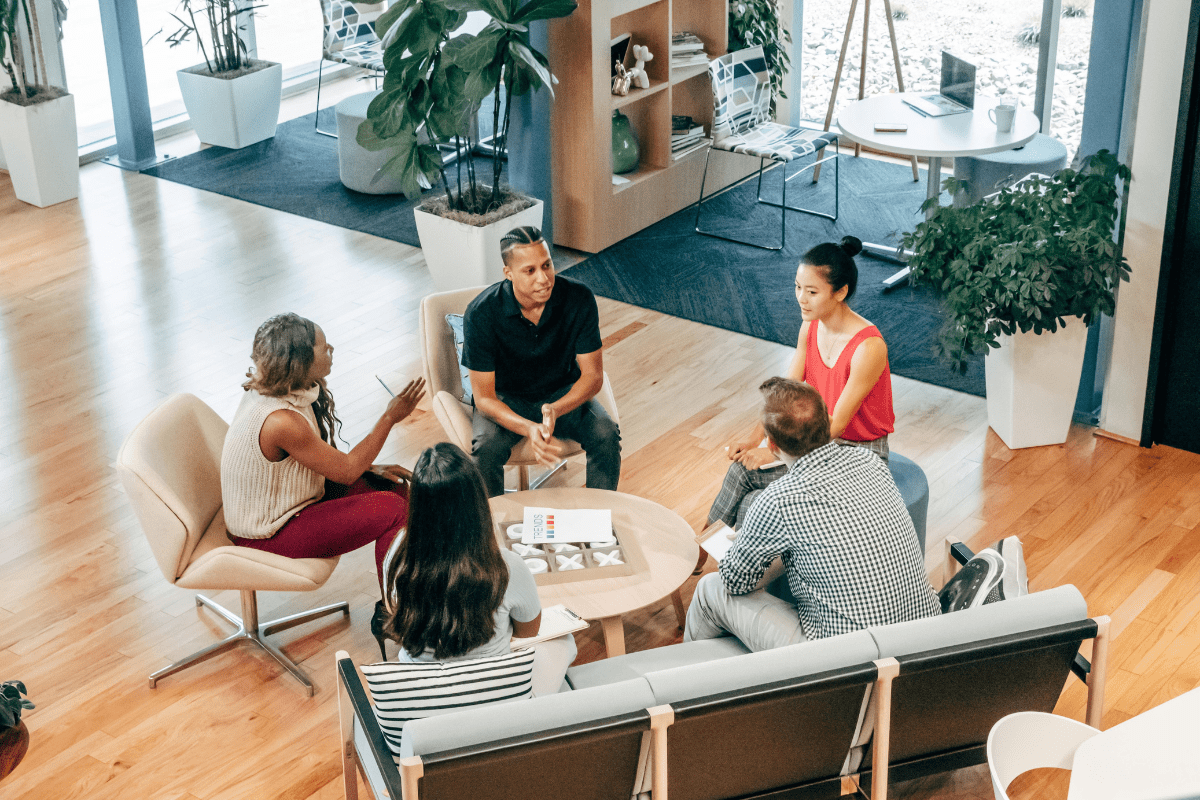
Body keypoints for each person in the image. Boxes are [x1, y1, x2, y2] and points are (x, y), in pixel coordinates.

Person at [219, 313, 425, 659]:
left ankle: (414, 602)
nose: (330, 348)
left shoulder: (288, 392)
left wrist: (368, 468)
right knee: (391, 511)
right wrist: (390, 416)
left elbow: (318, 462)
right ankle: (399, 618)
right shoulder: (280, 420)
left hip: (295, 501)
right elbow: (344, 472)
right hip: (268, 532)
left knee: (396, 490)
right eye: (321, 346)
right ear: (298, 361)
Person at [685, 378, 938, 653]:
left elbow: (735, 581)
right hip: (923, 640)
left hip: (846, 661)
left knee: (710, 590)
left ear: (771, 445)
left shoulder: (779, 500)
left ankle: (687, 685)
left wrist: (745, 546)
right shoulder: (872, 463)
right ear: (827, 423)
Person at [707, 236, 894, 532]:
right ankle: (699, 552)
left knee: (756, 503)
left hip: (857, 453)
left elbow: (837, 426)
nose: (801, 298)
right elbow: (783, 394)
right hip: (813, 438)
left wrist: (777, 451)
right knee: (739, 473)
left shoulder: (868, 347)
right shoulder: (811, 325)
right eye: (797, 287)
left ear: (840, 292)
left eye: (811, 291)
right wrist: (755, 440)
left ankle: (739, 571)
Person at [383, 443, 577, 695]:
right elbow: (528, 631)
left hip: (422, 692)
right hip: (492, 696)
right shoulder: (506, 566)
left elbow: (395, 608)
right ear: (477, 502)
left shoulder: (398, 553)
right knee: (564, 642)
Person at [463, 226, 621, 497]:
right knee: (486, 448)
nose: (544, 278)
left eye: (547, 265)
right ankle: (490, 527)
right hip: (506, 398)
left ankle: (599, 519)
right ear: (508, 273)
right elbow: (485, 397)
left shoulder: (578, 298)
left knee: (606, 436)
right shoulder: (481, 313)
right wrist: (529, 427)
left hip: (562, 392)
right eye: (530, 270)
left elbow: (593, 376)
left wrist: (555, 410)